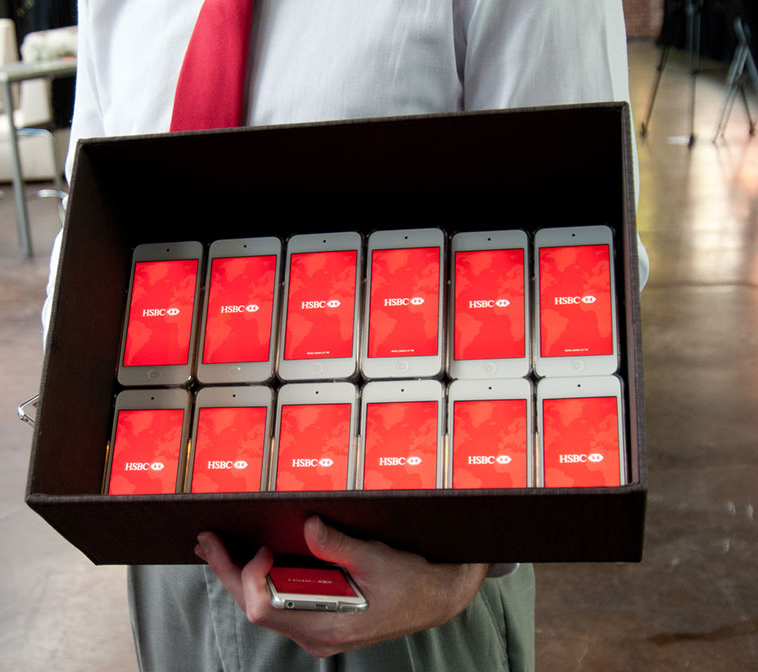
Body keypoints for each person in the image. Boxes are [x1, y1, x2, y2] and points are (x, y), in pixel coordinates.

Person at [44, 2, 648, 669]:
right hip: (170, 551)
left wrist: (463, 568)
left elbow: (577, 246)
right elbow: (90, 220)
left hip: (405, 573)